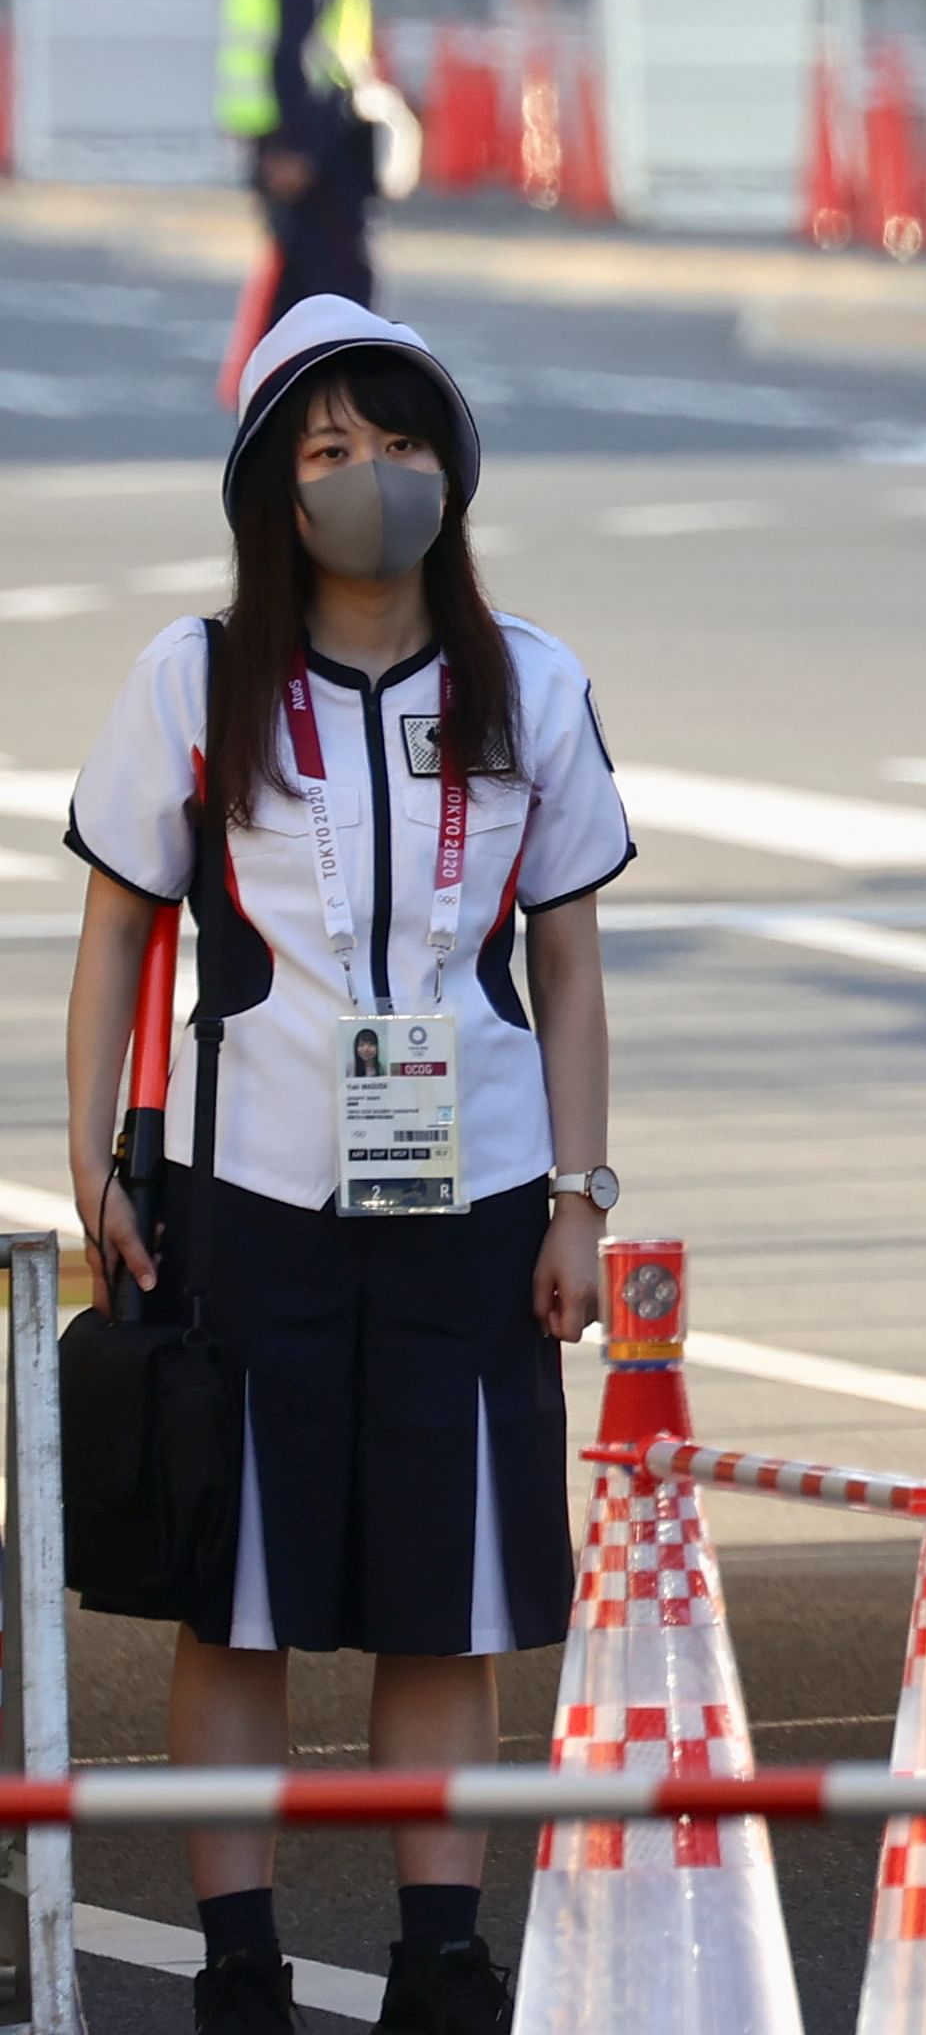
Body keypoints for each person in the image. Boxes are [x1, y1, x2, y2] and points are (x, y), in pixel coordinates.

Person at [64, 296, 633, 2032]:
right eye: (327, 450)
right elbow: (115, 932)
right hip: (251, 1198)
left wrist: (580, 1196)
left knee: (439, 1594)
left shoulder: (530, 678)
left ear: (451, 468)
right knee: (233, 1596)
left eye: (398, 443)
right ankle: (236, 1955)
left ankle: (440, 1949)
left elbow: (573, 960)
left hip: (474, 1200)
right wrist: (90, 1160)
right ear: (268, 487)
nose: (371, 477)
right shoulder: (191, 674)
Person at [216, 0, 386, 320]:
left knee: (300, 282)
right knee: (332, 286)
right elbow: (295, 47)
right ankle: (335, 369)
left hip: (301, 134)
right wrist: (297, 149)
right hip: (309, 140)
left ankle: (295, 370)